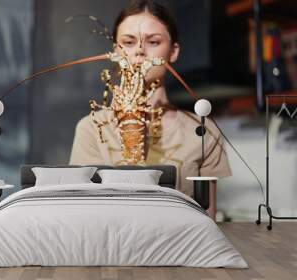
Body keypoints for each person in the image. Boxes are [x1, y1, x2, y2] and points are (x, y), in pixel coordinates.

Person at [69, 0, 232, 220]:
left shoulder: (204, 130)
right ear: (116, 50)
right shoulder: (91, 127)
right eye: (128, 42)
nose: (139, 52)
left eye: (153, 42)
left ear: (173, 51)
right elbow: (81, 212)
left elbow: (208, 219)